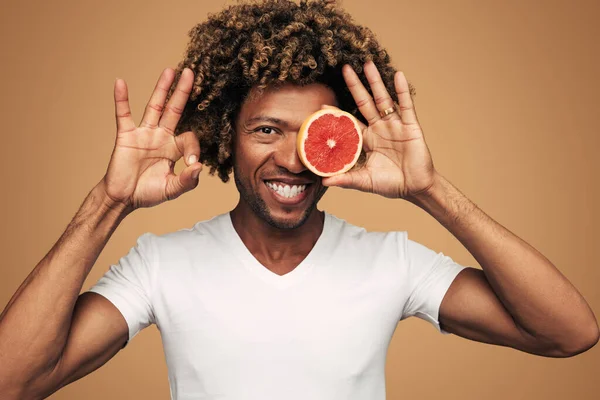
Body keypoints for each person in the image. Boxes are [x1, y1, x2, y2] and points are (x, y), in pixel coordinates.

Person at [0, 0, 597, 398]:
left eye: (313, 132)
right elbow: (13, 380)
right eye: (266, 130)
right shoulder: (161, 263)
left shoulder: (393, 260)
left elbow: (568, 334)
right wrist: (110, 203)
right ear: (222, 139)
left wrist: (431, 192)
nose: (289, 158)